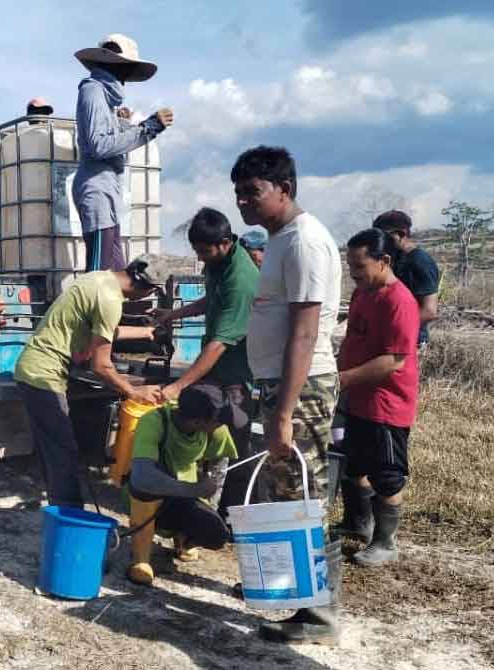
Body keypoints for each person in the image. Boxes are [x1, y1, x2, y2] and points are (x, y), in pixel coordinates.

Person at [233, 145, 342, 644]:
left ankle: (320, 617)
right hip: (282, 385)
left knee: (305, 495)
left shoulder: (304, 242)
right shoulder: (280, 239)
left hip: (302, 387)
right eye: (238, 193)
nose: (243, 201)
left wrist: (283, 412)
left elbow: (304, 331)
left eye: (252, 192)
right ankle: (297, 594)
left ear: (285, 189)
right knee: (286, 491)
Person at [13, 254, 168, 509]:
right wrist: (134, 392)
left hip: (32, 368)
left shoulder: (99, 279)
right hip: (43, 374)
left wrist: (145, 331)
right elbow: (101, 366)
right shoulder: (111, 300)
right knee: (64, 451)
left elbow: (102, 330)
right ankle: (70, 516)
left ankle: (57, 509)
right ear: (148, 289)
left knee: (53, 449)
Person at [152, 207, 259, 510]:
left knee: (235, 446)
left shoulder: (241, 280)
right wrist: (174, 314)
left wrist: (178, 385)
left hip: (235, 374)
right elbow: (211, 300)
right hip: (216, 369)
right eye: (196, 251)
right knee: (203, 434)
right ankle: (197, 501)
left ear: (225, 243)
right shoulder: (217, 263)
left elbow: (218, 345)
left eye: (204, 251)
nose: (200, 258)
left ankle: (233, 514)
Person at [336, 228, 419, 568]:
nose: (354, 274)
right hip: (356, 398)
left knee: (386, 475)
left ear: (384, 260)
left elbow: (393, 360)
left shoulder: (399, 301)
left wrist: (342, 379)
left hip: (386, 404)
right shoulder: (363, 293)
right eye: (350, 267)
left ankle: (386, 542)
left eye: (360, 266)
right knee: (353, 464)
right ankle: (357, 523)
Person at [73, 33, 173, 272]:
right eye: (127, 68)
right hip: (97, 189)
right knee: (99, 276)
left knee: (116, 275)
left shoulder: (104, 99)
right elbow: (98, 145)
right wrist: (148, 128)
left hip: (106, 190)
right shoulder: (93, 90)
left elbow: (105, 139)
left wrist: (122, 124)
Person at [125, 385, 242, 586]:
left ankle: (183, 538)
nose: (222, 426)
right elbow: (143, 477)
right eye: (218, 421)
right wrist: (194, 490)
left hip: (184, 497)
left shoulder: (215, 430)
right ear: (197, 421)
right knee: (144, 491)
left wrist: (209, 500)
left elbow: (219, 464)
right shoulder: (154, 421)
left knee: (216, 534)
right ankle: (141, 559)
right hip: (148, 496)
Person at [372, 210, 440, 350]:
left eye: (384, 236)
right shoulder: (392, 258)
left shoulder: (420, 261)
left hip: (410, 342)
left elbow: (429, 311)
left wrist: (389, 328)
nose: (380, 241)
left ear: (401, 234)